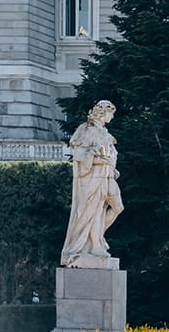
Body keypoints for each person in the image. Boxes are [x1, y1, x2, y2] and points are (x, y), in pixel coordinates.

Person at [62, 99, 123, 267]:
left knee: (117, 207)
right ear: (104, 112)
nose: (112, 116)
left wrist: (110, 166)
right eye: (111, 113)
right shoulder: (86, 129)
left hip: (107, 176)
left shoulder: (104, 132)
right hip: (93, 178)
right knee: (93, 212)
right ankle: (94, 244)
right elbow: (81, 158)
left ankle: (96, 238)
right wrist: (101, 161)